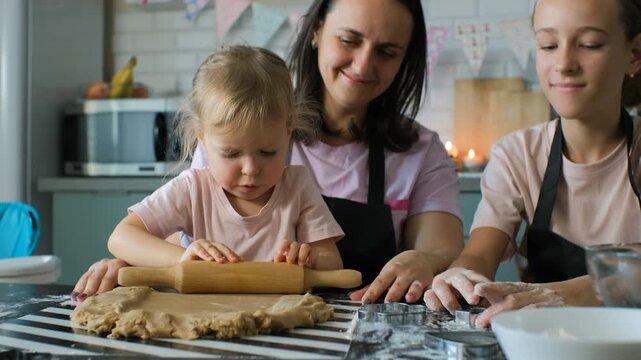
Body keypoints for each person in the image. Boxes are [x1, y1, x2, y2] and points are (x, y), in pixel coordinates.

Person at [72, 0, 464, 304]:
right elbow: (188, 244)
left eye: (387, 51)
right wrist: (131, 265)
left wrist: (426, 259)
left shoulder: (421, 152)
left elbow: (438, 246)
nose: (363, 63)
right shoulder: (242, 122)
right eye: (349, 40)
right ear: (316, 31)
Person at [424, 0, 641, 328]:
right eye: (549, 45)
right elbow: (480, 254)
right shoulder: (517, 154)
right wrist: (461, 277)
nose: (564, 63)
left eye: (589, 44)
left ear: (634, 54)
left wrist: (574, 294)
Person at [72, 46, 345, 301]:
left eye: (268, 152)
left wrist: (308, 258)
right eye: (231, 153)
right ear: (202, 138)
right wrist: (183, 258)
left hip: (279, 324)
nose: (250, 169)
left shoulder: (297, 186)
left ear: (288, 134)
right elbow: (121, 238)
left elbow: (333, 263)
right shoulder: (193, 189)